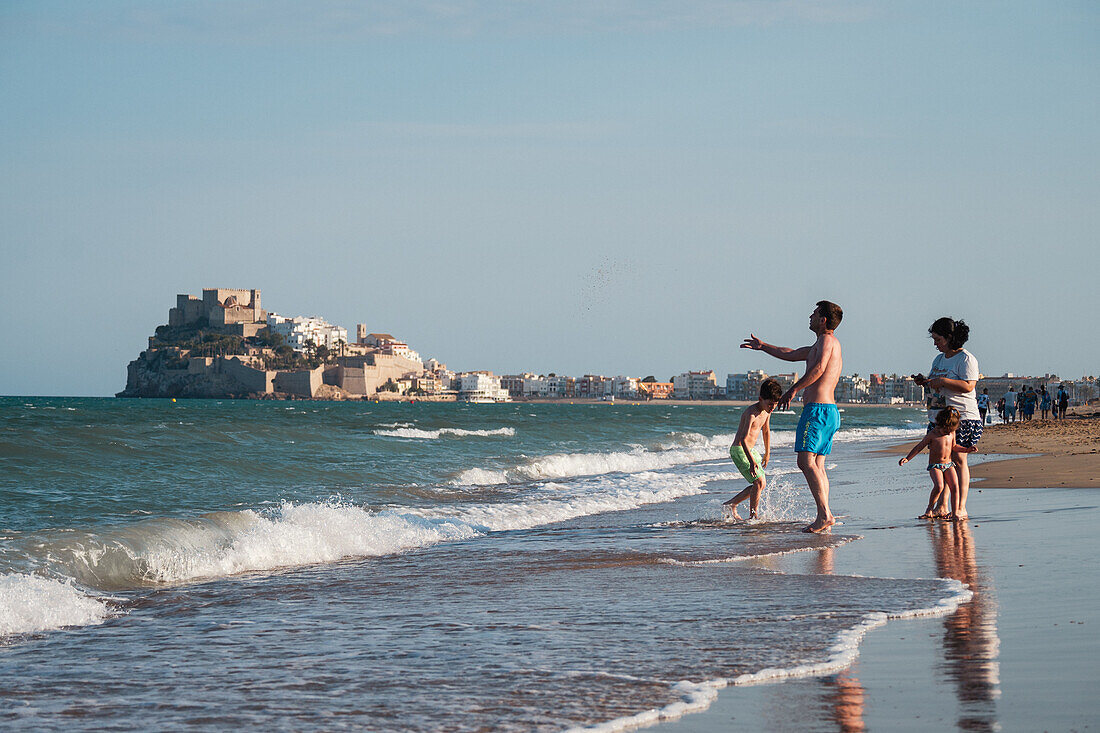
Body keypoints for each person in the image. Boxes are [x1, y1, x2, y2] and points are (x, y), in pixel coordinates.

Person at [741, 300, 843, 533]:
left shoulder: (827, 341)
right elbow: (791, 353)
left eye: (814, 313)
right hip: (828, 412)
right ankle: (825, 514)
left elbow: (818, 369)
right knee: (818, 464)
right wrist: (763, 346)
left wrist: (794, 389)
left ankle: (824, 515)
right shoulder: (822, 343)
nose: (810, 316)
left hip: (817, 411)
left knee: (805, 461)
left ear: (823, 319)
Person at [911, 317, 981, 521]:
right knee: (943, 461)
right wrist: (925, 381)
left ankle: (960, 507)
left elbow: (969, 385)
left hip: (962, 417)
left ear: (950, 337)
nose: (935, 343)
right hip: (939, 417)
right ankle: (942, 506)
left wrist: (943, 381)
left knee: (959, 461)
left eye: (938, 339)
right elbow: (936, 383)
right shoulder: (939, 359)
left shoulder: (966, 359)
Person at [899, 407, 975, 520]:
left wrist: (966, 450)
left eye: (951, 431)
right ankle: (929, 509)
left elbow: (954, 447)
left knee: (955, 487)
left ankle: (955, 513)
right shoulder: (932, 434)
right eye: (946, 430)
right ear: (940, 424)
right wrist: (907, 458)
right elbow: (920, 446)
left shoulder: (951, 432)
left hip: (949, 465)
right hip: (935, 466)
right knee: (939, 486)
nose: (948, 433)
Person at [723, 378, 782, 520]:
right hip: (739, 450)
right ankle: (753, 516)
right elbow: (743, 439)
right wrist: (751, 461)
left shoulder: (768, 411)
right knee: (758, 482)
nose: (772, 407)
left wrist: (768, 453)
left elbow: (766, 431)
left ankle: (731, 505)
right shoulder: (751, 413)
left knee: (761, 484)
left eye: (774, 405)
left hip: (750, 450)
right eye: (769, 404)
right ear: (760, 399)